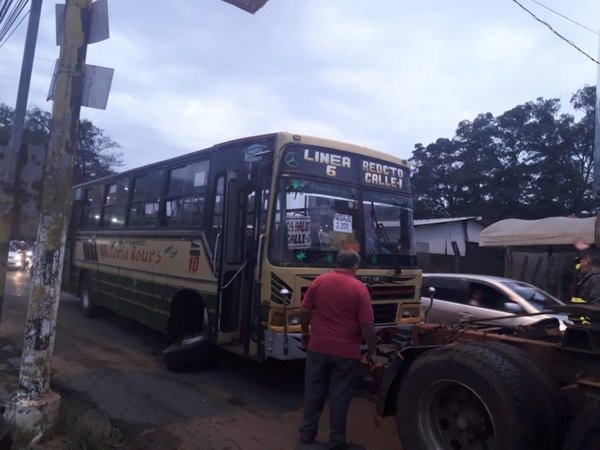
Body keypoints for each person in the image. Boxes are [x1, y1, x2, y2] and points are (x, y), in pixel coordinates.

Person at [298, 249, 376, 450]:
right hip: (346, 352)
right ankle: (336, 441)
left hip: (318, 346)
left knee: (313, 392)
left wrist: (305, 333)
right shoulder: (359, 288)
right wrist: (373, 350)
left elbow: (305, 310)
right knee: (339, 397)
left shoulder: (320, 281)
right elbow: (367, 325)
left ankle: (307, 434)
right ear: (355, 267)